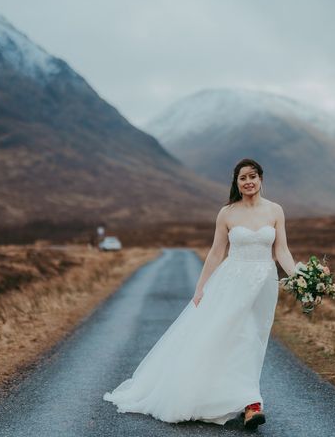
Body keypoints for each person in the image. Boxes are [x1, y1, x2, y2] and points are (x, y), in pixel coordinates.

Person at [103, 158, 297, 429]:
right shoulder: (227, 213)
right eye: (243, 178)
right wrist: (201, 287)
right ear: (237, 183)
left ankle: (242, 400)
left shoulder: (275, 211)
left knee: (254, 339)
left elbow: (281, 251)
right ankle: (251, 404)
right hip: (232, 283)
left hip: (264, 285)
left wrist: (300, 277)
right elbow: (217, 253)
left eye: (253, 176)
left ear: (261, 178)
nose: (249, 181)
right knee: (236, 338)